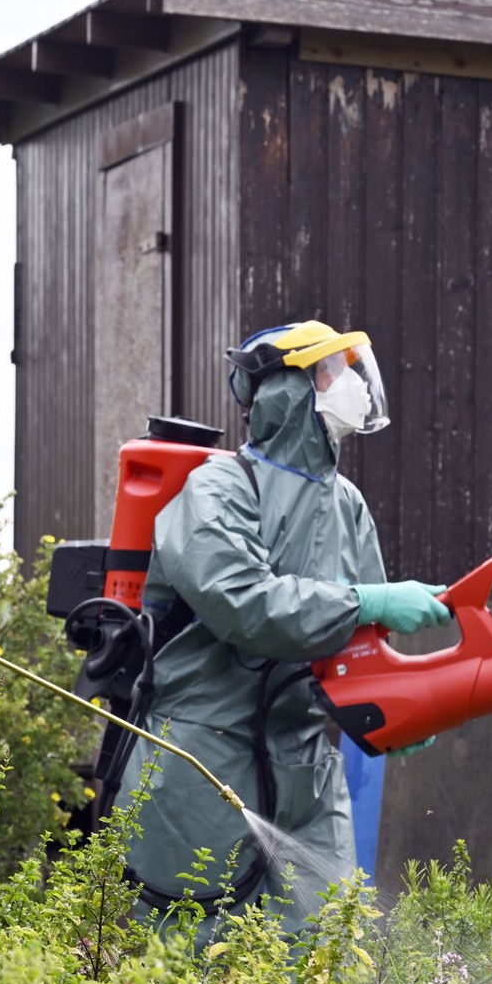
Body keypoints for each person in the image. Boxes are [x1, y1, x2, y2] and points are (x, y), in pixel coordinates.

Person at [117, 320, 449, 936]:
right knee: (186, 965)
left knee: (326, 960)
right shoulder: (216, 489)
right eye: (333, 372)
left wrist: (397, 711)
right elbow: (245, 603)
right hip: (203, 762)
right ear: (288, 390)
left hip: (305, 767)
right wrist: (368, 598)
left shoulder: (347, 504)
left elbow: (358, 654)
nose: (349, 387)